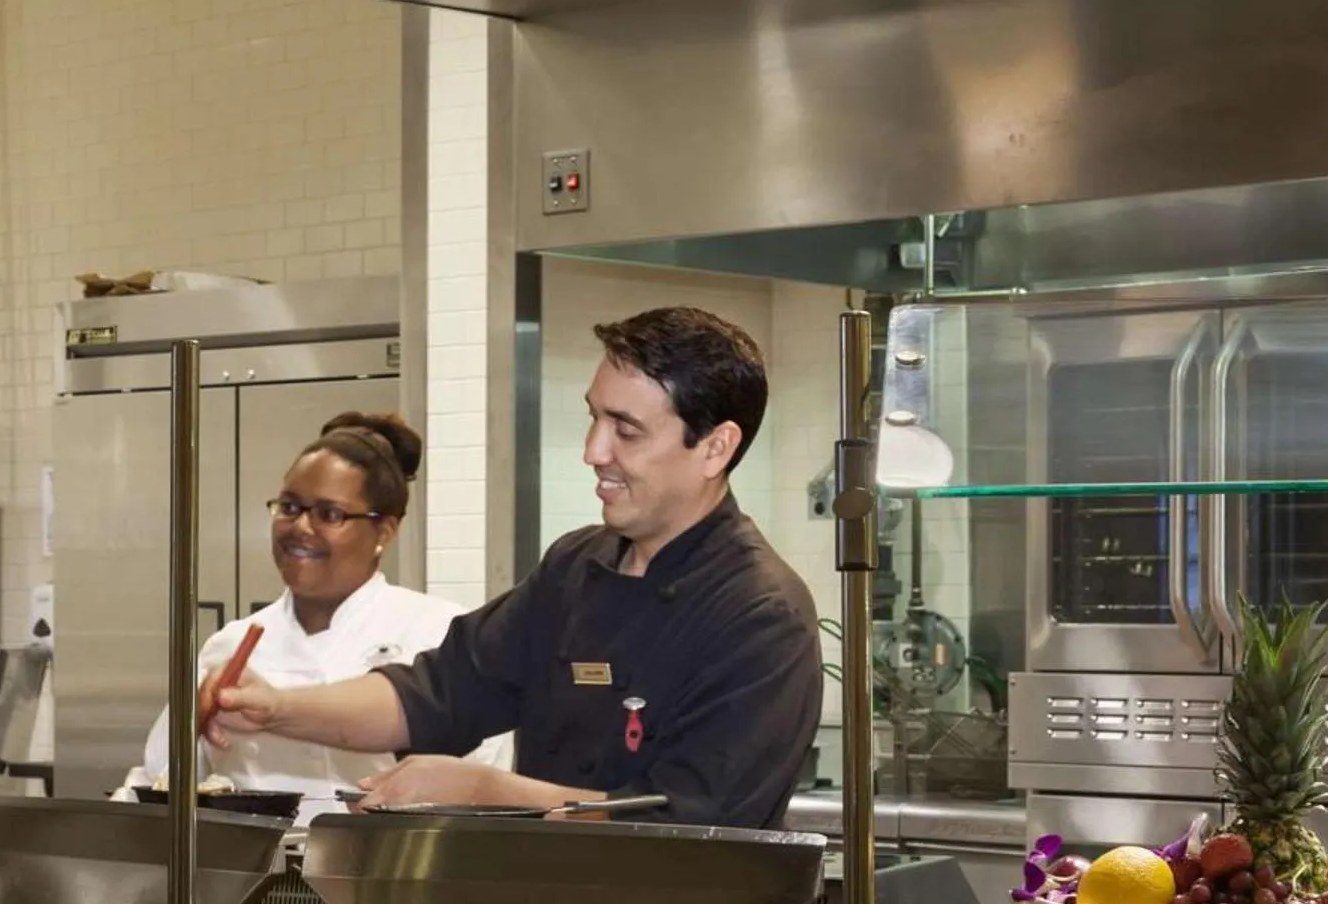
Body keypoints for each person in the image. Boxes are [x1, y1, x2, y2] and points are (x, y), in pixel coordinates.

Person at [207, 306, 820, 828]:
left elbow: (687, 826)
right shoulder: (577, 566)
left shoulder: (760, 616)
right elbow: (438, 693)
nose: (592, 451)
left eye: (625, 430)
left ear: (715, 447)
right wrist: (277, 707)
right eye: (594, 417)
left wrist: (482, 792)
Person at [118, 412, 509, 819]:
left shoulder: (438, 632)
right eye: (289, 507)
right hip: (254, 877)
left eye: (330, 514)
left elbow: (484, 795)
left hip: (389, 875)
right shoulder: (231, 646)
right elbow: (156, 786)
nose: (301, 527)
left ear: (385, 530)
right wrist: (190, 726)